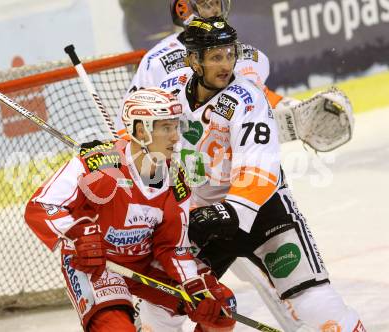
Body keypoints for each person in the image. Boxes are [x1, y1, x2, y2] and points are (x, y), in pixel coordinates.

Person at [155, 16, 366, 332]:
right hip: (202, 215)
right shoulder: (168, 91)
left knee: (313, 302)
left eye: (229, 53)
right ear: (193, 61)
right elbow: (142, 136)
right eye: (215, 56)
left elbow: (259, 168)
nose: (226, 63)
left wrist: (231, 211)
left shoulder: (247, 97)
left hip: (265, 214)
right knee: (158, 306)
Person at [24, 88, 237, 332]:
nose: (176, 137)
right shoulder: (98, 165)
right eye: (166, 128)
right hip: (96, 263)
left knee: (219, 307)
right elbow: (40, 206)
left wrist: (192, 283)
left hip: (144, 261)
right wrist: (76, 232)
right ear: (140, 130)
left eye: (176, 127)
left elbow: (173, 246)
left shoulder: (175, 177)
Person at [117, 0, 353, 153]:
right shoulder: (157, 61)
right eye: (203, 3)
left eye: (215, 2)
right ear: (183, 9)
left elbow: (256, 97)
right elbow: (128, 123)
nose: (213, 9)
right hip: (187, 182)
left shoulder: (247, 55)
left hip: (242, 176)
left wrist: (296, 112)